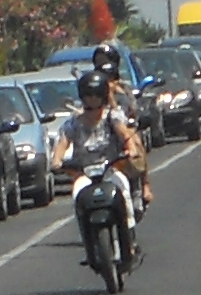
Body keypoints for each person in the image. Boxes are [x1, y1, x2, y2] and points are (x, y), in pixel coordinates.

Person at [61, 56, 151, 256]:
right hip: (85, 173)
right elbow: (62, 145)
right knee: (78, 196)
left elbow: (126, 135)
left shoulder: (113, 116)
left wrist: (130, 149)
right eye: (88, 96)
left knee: (123, 189)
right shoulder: (74, 122)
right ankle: (89, 242)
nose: (92, 101)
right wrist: (57, 161)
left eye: (96, 96)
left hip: (110, 168)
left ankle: (128, 233)